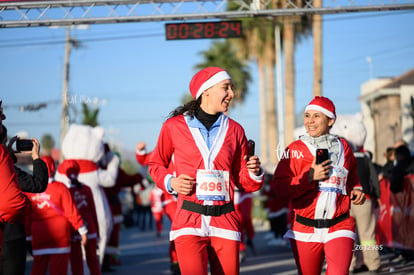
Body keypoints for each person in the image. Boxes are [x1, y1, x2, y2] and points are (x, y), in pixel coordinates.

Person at [148, 67, 264, 275]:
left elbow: (242, 180)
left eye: (231, 88)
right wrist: (170, 182)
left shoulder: (236, 130)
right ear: (207, 90)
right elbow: (155, 164)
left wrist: (253, 172)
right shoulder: (173, 126)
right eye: (226, 87)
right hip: (189, 220)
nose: (232, 93)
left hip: (225, 220)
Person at [271, 96, 365, 275]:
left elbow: (352, 175)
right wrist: (309, 178)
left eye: (316, 116)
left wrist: (357, 189)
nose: (310, 121)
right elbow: (279, 187)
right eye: (307, 116)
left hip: (339, 225)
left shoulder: (344, 147)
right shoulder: (293, 150)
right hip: (305, 228)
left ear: (331, 120)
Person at [25, 156, 88, 275]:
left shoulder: (30, 189)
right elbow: (71, 212)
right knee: (58, 270)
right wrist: (82, 230)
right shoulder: (61, 187)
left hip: (38, 235)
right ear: (53, 168)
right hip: (60, 236)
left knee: (38, 269)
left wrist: (28, 236)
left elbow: (27, 216)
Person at [58, 159, 101, 275]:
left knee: (76, 261)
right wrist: (97, 232)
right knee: (92, 259)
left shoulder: (64, 190)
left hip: (74, 229)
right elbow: (93, 211)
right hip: (90, 227)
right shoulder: (86, 189)